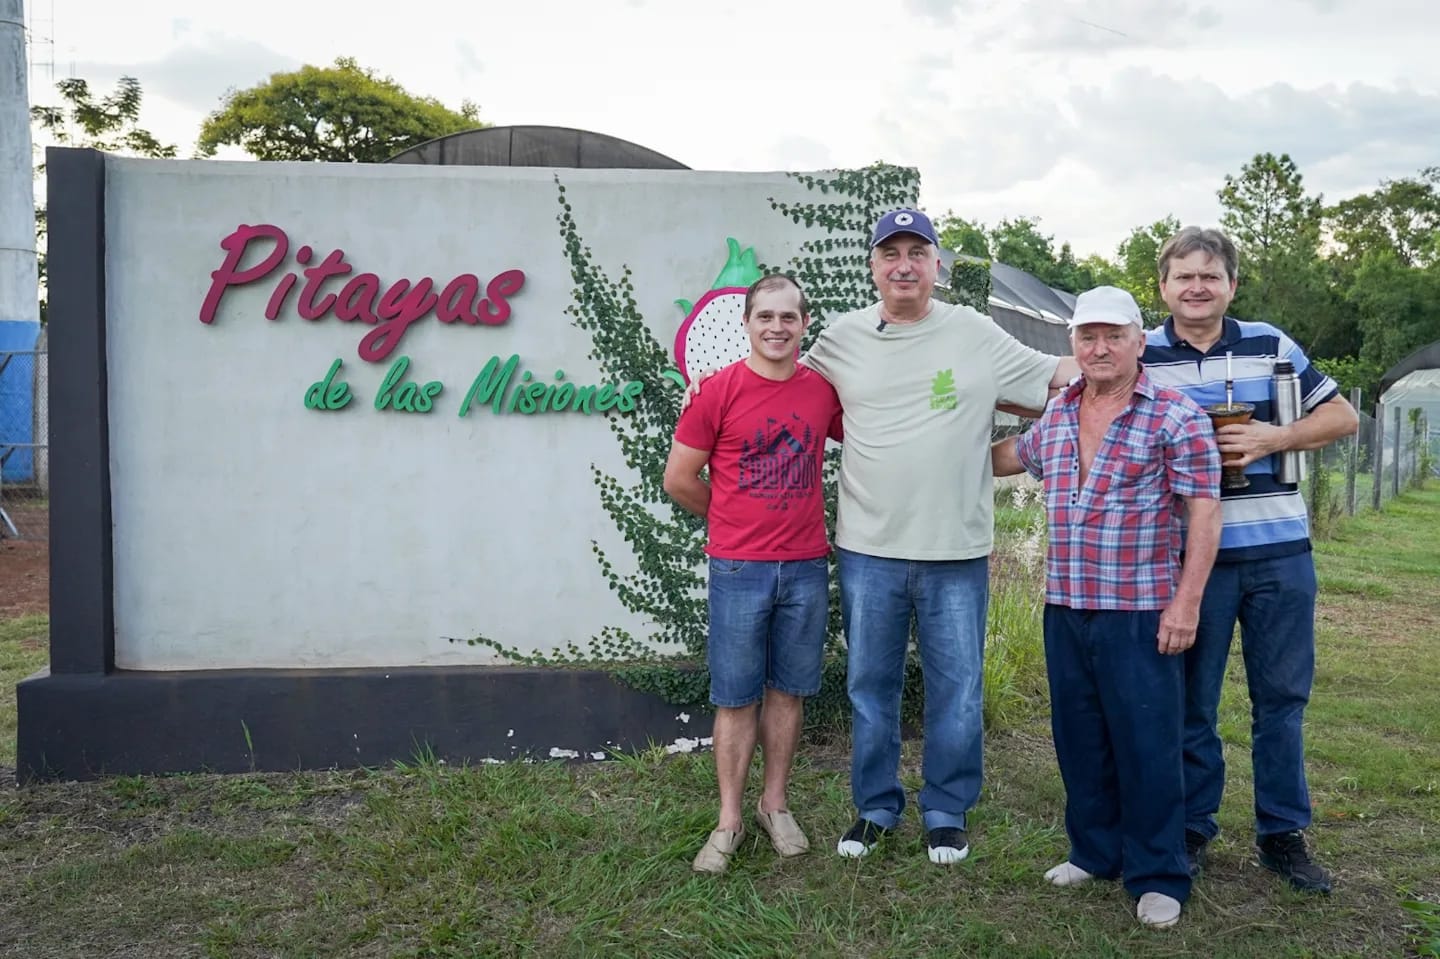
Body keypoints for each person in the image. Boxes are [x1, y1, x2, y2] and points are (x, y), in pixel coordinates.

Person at [800, 209, 1073, 864]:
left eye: (916, 252)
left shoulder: (974, 333)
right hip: (870, 548)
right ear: (873, 266)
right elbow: (781, 384)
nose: (903, 264)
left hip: (957, 549)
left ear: (935, 265)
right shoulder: (841, 339)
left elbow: (1056, 375)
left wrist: (1128, 347)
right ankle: (875, 805)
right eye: (889, 252)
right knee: (872, 683)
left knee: (957, 685)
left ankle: (946, 809)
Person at [992, 285, 1222, 929]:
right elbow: (1007, 458)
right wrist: (932, 446)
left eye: (1113, 336)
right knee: (1080, 738)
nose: (1099, 347)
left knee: (1148, 744)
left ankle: (1158, 873)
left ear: (1138, 342)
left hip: (1141, 610)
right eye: (1087, 336)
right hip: (1066, 605)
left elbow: (1204, 513)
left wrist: (1187, 604)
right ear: (1072, 344)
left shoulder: (1174, 416)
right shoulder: (1060, 416)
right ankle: (1095, 851)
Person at [1142, 226, 1359, 894]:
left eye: (1210, 275)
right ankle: (1192, 827)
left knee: (1281, 699)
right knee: (1190, 703)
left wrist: (1279, 435)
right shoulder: (1143, 354)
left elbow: (1344, 416)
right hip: (1191, 562)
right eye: (1184, 275)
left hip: (1279, 554)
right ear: (1164, 286)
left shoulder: (1270, 343)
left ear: (1231, 284)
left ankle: (1282, 832)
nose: (1197, 286)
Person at [663, 274, 843, 874]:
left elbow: (881, 431)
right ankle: (730, 820)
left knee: (788, 691)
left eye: (788, 317)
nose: (776, 327)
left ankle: (775, 804)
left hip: (805, 566)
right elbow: (679, 478)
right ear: (747, 324)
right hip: (738, 568)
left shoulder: (823, 393)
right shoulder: (717, 391)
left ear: (804, 325)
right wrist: (732, 518)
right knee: (736, 696)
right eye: (765, 316)